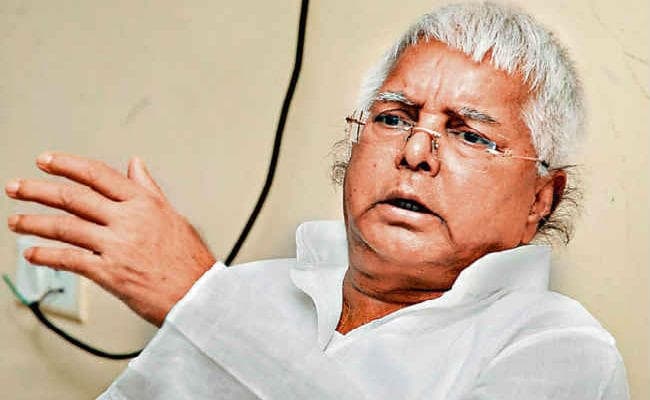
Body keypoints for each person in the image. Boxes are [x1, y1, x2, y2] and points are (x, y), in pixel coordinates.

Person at [4, 2, 629, 399]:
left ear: (540, 198)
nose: (416, 150)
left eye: (469, 134)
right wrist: (213, 304)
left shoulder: (559, 350)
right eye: (393, 117)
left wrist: (202, 303)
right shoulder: (253, 291)